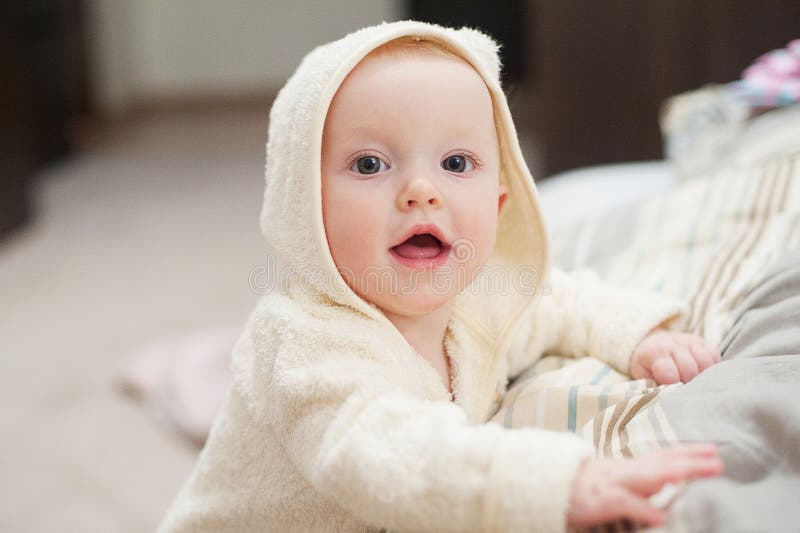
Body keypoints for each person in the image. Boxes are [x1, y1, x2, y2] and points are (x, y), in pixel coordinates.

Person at [157, 21, 723, 532]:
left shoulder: (481, 299)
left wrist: (639, 336)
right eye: (370, 164)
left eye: (456, 164)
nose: (421, 191)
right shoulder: (301, 339)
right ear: (302, 206)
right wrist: (554, 483)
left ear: (499, 204)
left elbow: (555, 303)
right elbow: (388, 451)